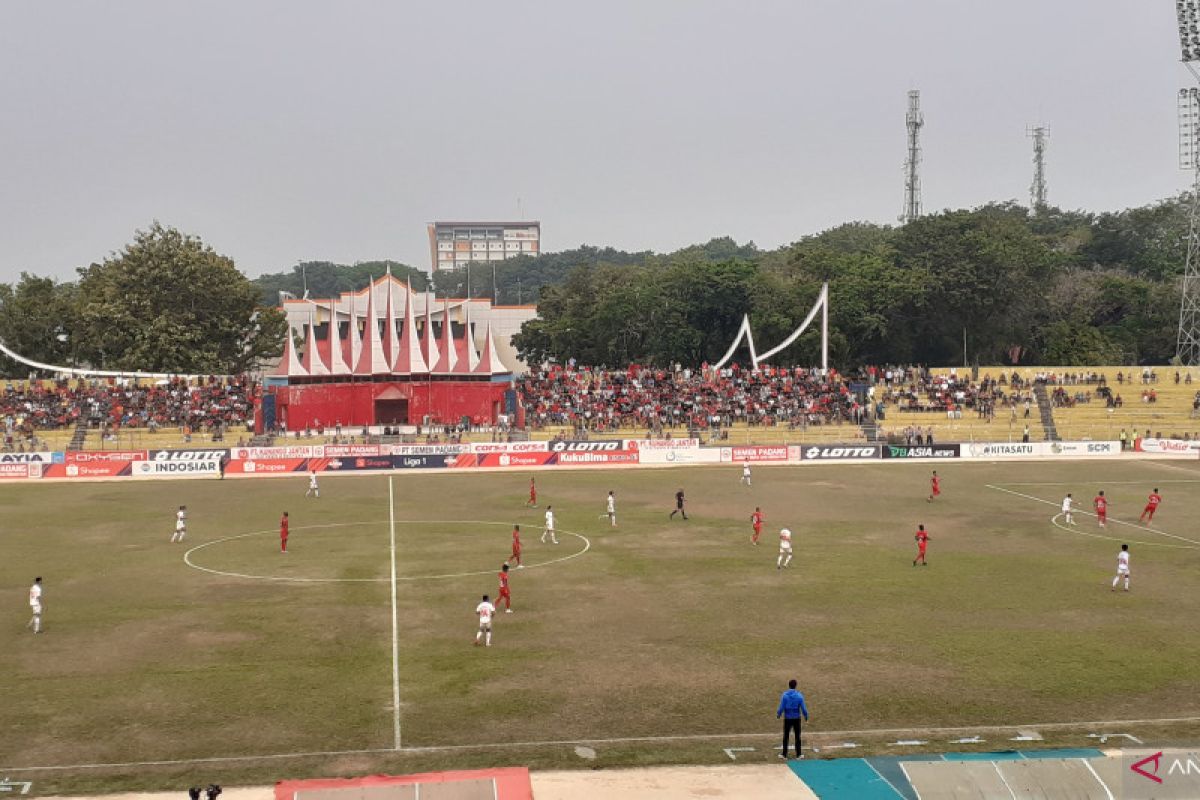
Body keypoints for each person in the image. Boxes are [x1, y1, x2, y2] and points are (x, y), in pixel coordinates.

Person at [776, 679, 809, 760]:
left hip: (787, 718)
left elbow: (781, 707)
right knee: (797, 736)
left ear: (789, 685)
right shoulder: (799, 696)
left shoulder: (785, 695)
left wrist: (779, 714)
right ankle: (799, 754)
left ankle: (784, 754)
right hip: (797, 718)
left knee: (786, 736)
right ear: (796, 686)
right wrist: (806, 716)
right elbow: (803, 708)